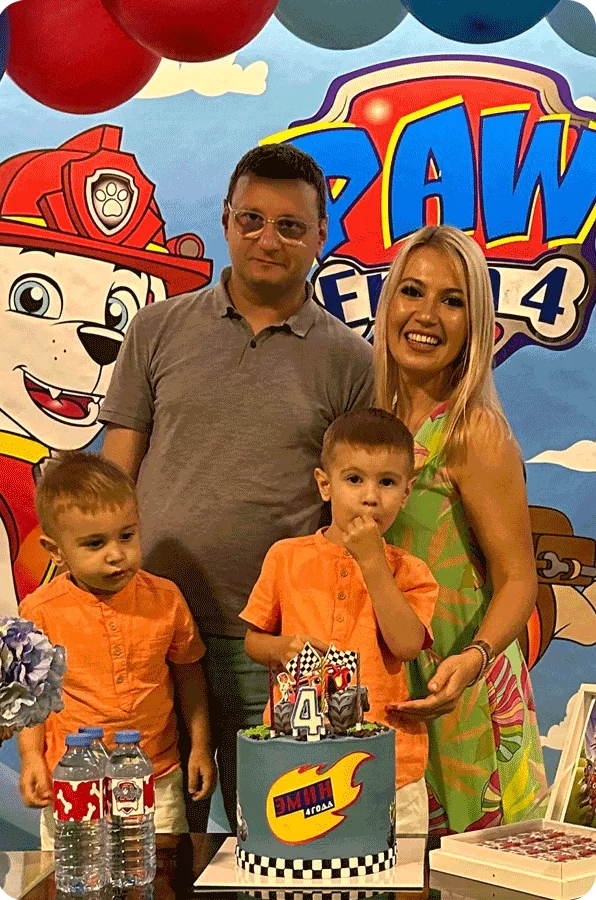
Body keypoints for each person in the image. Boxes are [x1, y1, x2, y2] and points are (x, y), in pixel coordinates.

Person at [99, 143, 375, 832]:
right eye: (252, 219)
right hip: (152, 634)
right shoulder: (157, 328)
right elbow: (114, 477)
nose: (267, 239)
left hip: (278, 643)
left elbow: (357, 506)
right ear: (226, 219)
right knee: (158, 843)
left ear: (320, 235)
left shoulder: (352, 362)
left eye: (290, 226)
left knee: (283, 838)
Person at [373, 224, 547, 836]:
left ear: (475, 324)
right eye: (412, 291)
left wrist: (474, 660)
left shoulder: (475, 433)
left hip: (464, 694)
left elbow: (518, 579)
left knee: (473, 872)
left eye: (452, 301)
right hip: (390, 691)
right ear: (388, 303)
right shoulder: (369, 422)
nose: (426, 315)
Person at [241, 408, 439, 835]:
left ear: (406, 492)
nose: (370, 497)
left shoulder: (411, 571)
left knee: (397, 868)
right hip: (299, 761)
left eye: (387, 483)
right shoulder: (285, 557)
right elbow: (253, 641)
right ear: (324, 484)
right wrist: (280, 647)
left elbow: (406, 645)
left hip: (391, 765)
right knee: (305, 861)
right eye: (354, 479)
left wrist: (373, 562)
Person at [17, 452, 216, 850]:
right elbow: (32, 696)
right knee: (72, 873)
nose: (116, 554)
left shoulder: (166, 598)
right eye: (95, 543)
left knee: (159, 870)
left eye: (126, 536)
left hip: (156, 776)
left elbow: (189, 675)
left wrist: (200, 746)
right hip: (73, 780)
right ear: (55, 551)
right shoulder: (40, 611)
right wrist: (31, 758)